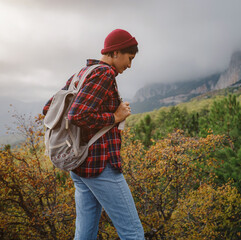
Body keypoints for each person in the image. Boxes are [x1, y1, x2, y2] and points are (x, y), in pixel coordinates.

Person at [43, 29, 145, 240]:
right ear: (116, 52)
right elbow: (78, 114)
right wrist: (114, 117)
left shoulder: (82, 73)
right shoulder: (104, 74)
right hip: (101, 166)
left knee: (85, 234)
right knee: (133, 232)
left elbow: (48, 108)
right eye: (129, 58)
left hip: (80, 165)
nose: (130, 65)